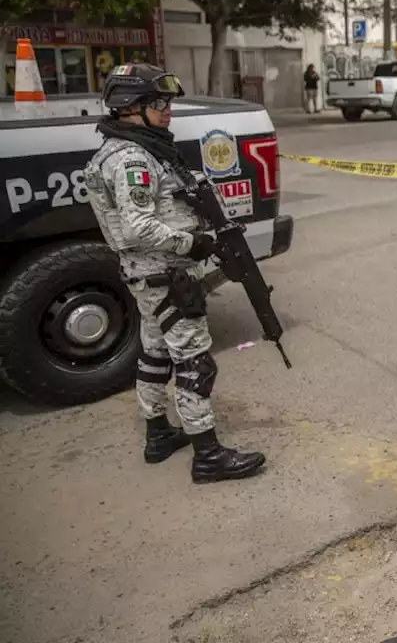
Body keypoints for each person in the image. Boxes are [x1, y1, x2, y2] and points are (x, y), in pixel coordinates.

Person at [84, 63, 267, 483]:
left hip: (148, 276)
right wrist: (194, 244)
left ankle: (158, 433)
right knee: (196, 363)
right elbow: (138, 226)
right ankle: (208, 454)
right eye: (159, 103)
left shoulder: (134, 148)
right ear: (132, 107)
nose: (168, 111)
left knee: (155, 355)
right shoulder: (131, 158)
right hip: (164, 273)